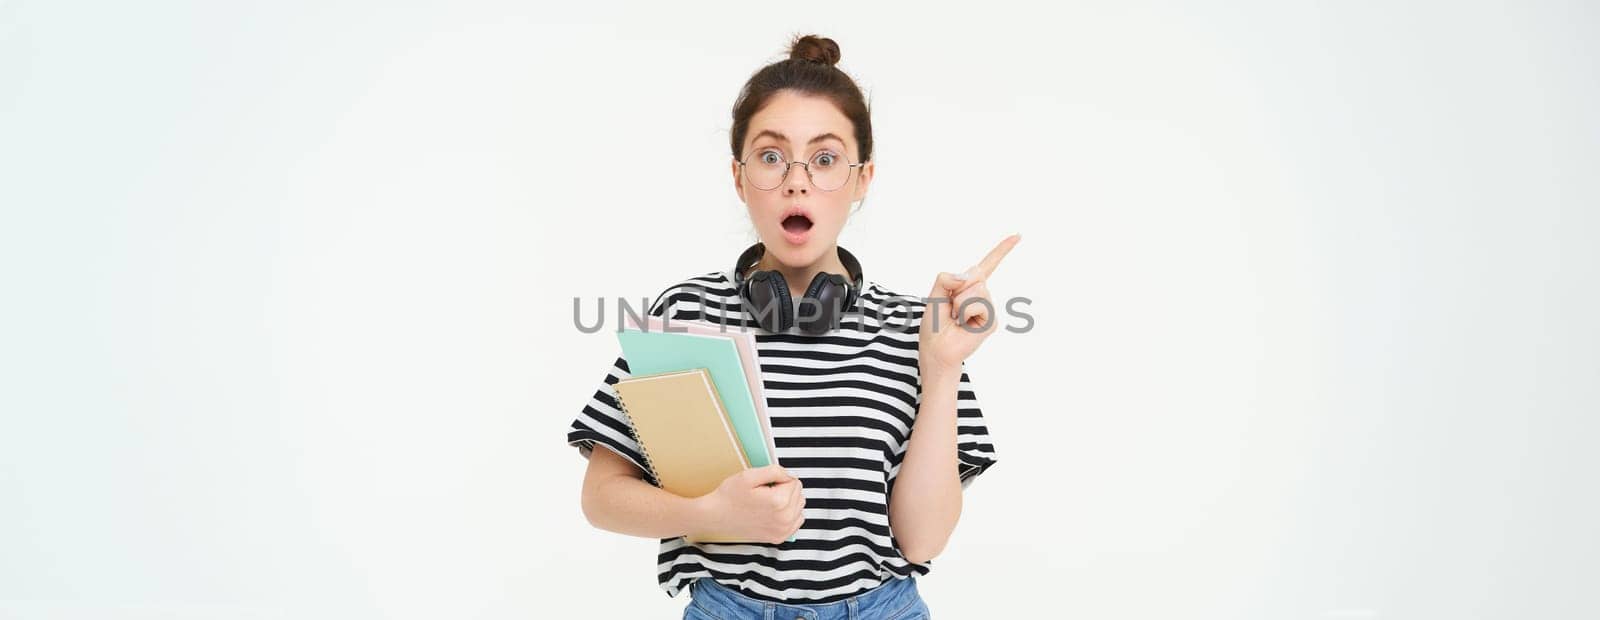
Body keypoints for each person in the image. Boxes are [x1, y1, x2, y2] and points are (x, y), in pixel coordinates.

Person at [566, 33, 1018, 619]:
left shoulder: (916, 329)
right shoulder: (684, 315)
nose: (796, 180)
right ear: (739, 176)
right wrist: (711, 516)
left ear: (862, 180)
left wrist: (942, 365)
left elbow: (923, 541)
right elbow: (602, 498)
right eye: (772, 156)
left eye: (826, 159)